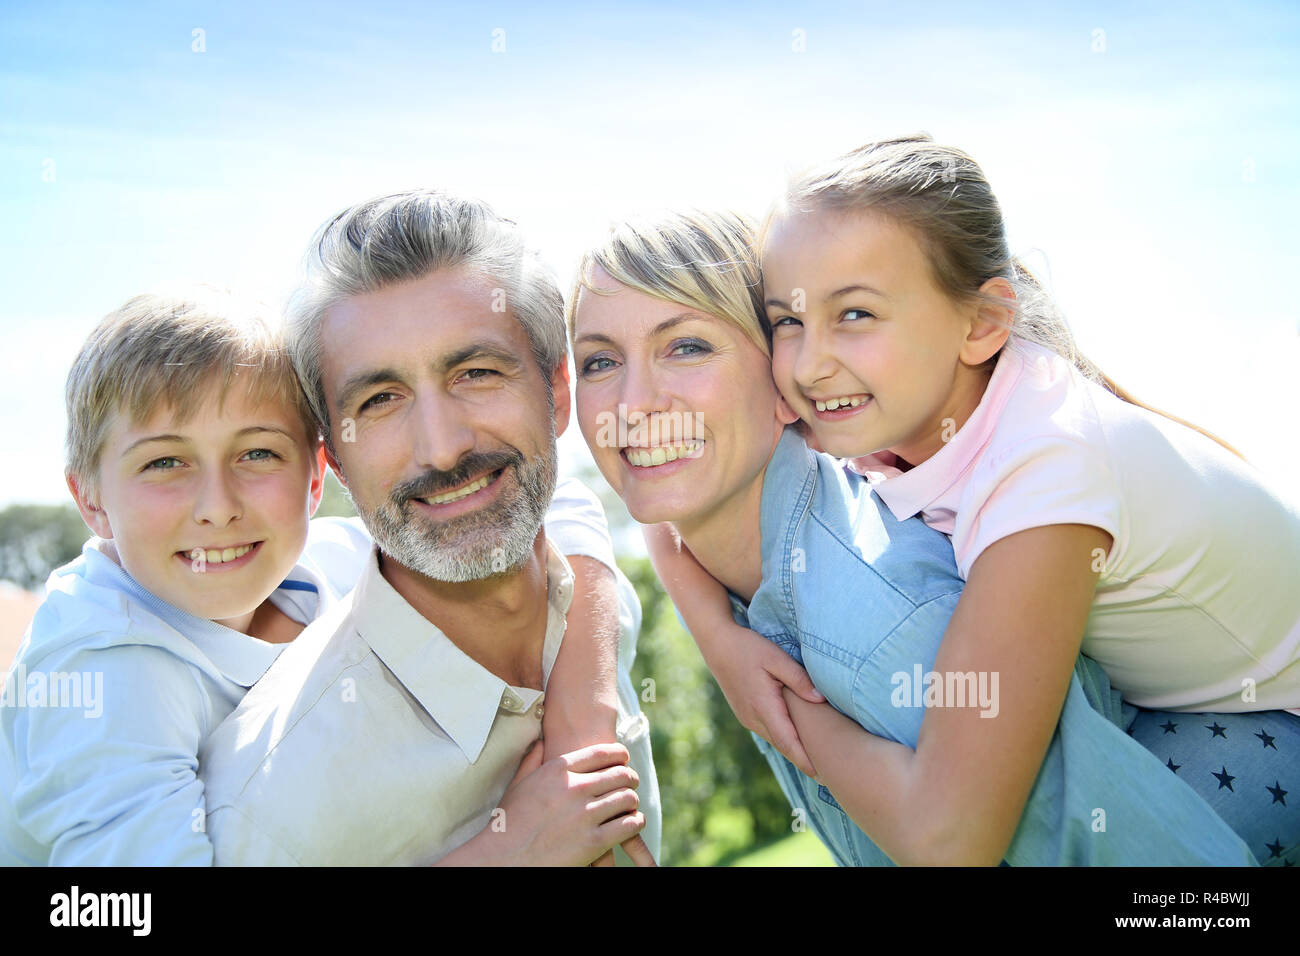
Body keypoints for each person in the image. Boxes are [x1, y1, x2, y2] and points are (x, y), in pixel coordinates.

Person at [668, 135, 1300, 865]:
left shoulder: (1044, 469)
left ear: (981, 324)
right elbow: (675, 491)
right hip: (1184, 708)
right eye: (788, 321)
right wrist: (723, 644)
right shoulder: (892, 410)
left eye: (857, 315)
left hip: (1267, 725)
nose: (809, 363)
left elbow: (950, 839)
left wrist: (782, 713)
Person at [0, 284, 643, 866]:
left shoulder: (327, 561)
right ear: (89, 498)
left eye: (258, 453)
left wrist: (581, 721)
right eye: (166, 463)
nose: (218, 505)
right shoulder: (100, 677)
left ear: (316, 476)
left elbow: (554, 504)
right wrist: (514, 849)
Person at [196, 190, 659, 865]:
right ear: (335, 459)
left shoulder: (595, 606)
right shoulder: (269, 811)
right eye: (380, 400)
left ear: (556, 392)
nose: (442, 448)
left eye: (476, 372)